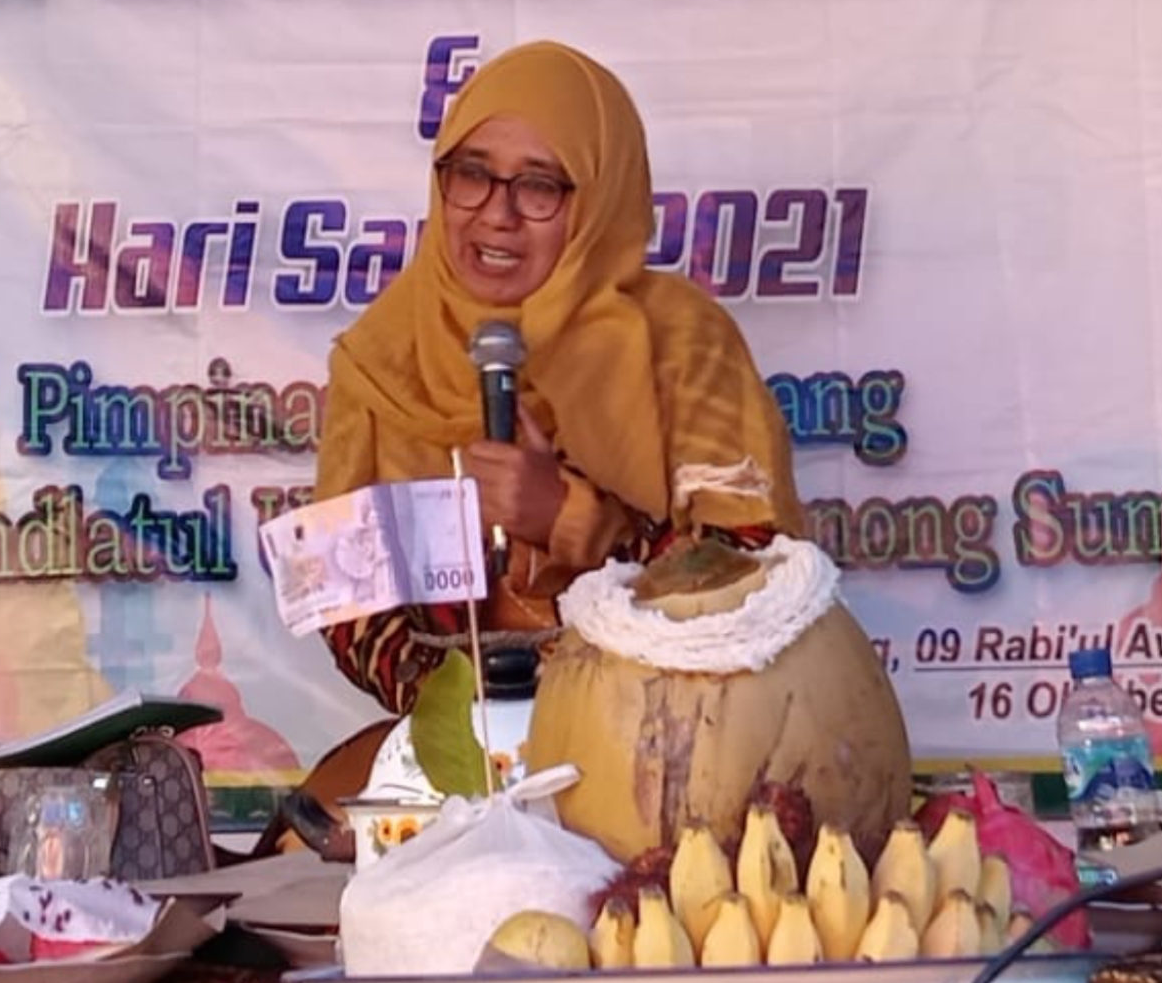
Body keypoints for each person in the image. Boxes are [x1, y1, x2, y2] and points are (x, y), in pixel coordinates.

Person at [318, 40, 804, 714]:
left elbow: (757, 577)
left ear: (600, 199)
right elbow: (346, 600)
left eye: (540, 186)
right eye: (472, 174)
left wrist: (571, 519)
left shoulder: (680, 344)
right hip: (458, 742)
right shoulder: (382, 355)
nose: (497, 214)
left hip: (666, 731)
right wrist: (477, 722)